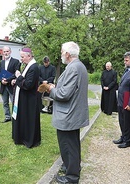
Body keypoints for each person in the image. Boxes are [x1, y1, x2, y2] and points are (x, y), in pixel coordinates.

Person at [41, 41, 89, 184]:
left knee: (69, 146)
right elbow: (69, 89)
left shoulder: (73, 68)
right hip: (72, 114)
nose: (61, 54)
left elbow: (63, 95)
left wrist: (50, 89)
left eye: (62, 52)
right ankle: (71, 167)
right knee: (72, 145)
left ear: (67, 54)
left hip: (68, 115)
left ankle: (71, 178)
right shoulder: (78, 66)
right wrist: (56, 86)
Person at [11, 47, 41, 148]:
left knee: (29, 120)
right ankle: (21, 137)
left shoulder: (33, 67)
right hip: (24, 99)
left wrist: (19, 76)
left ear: (29, 56)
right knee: (23, 118)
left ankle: (28, 139)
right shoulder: (28, 65)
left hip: (29, 100)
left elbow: (28, 84)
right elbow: (24, 80)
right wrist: (17, 81)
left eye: (22, 57)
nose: (21, 59)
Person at [0, 46, 21, 123]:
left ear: (10, 52)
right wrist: (1, 80)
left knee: (14, 102)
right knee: (5, 103)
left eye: (7, 51)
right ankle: (7, 117)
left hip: (11, 85)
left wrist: (7, 80)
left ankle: (15, 117)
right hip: (3, 86)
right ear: (3, 53)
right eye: (4, 52)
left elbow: (16, 74)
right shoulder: (1, 62)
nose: (6, 53)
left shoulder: (16, 61)